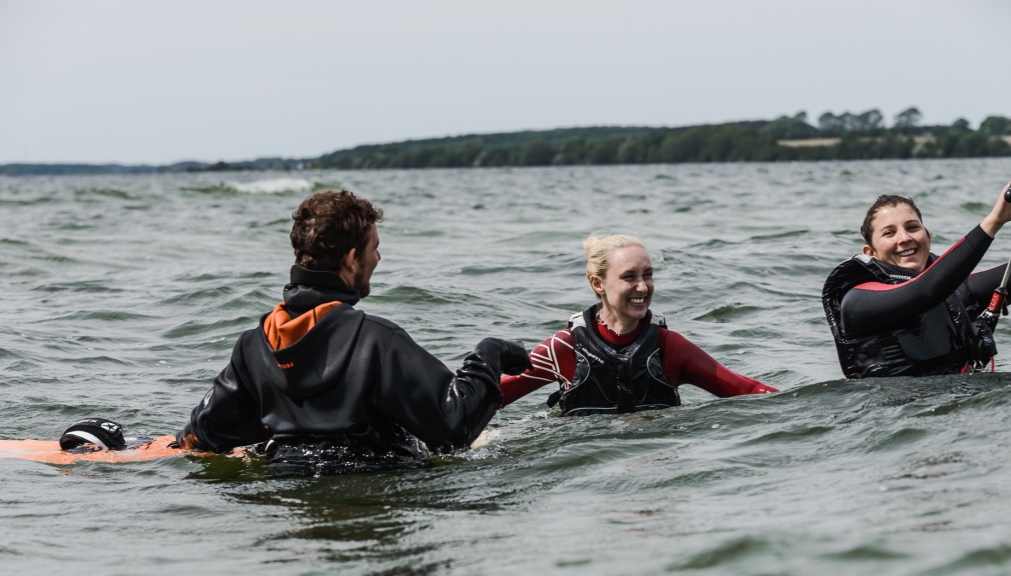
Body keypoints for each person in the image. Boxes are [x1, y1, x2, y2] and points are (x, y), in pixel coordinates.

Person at [176, 190, 531, 458]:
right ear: (351, 258)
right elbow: (455, 428)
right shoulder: (377, 340)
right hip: (371, 488)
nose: (378, 257)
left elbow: (202, 435)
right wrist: (490, 354)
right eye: (374, 247)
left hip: (287, 502)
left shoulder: (253, 345)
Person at [499, 234, 777, 416]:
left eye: (648, 275)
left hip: (654, 459)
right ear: (598, 283)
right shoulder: (564, 347)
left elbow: (748, 392)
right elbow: (489, 398)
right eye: (629, 277)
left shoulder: (669, 347)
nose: (643, 287)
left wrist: (814, 405)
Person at [822, 167, 1011, 378]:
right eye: (889, 233)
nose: (904, 238)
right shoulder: (857, 302)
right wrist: (994, 221)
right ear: (870, 252)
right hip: (894, 414)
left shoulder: (959, 292)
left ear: (928, 238)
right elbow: (926, 291)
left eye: (912, 227)